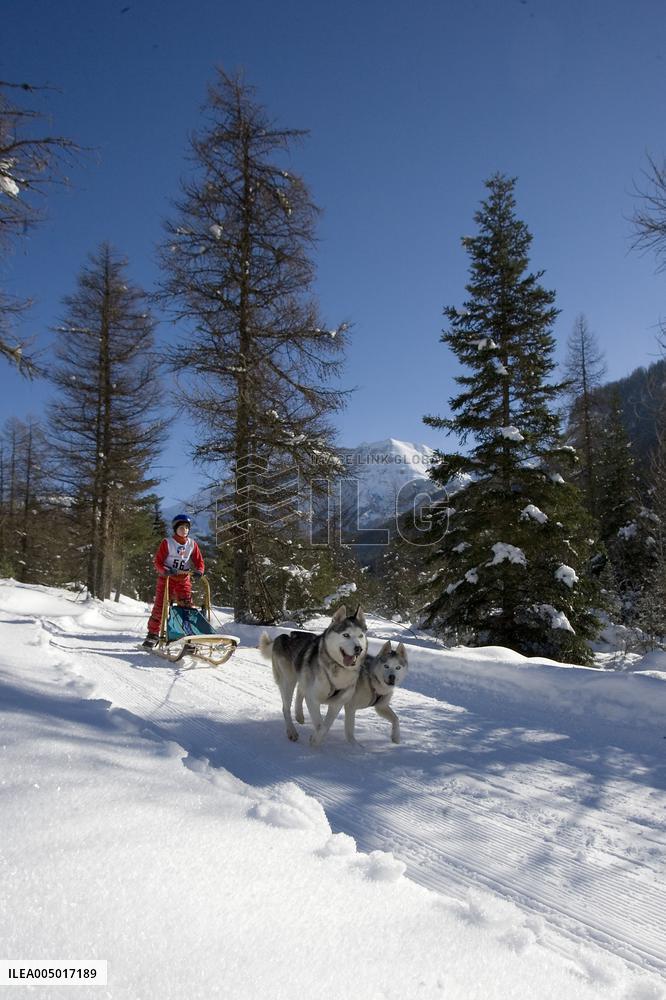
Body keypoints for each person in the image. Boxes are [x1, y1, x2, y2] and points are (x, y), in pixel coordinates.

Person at [142, 514, 205, 648]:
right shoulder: (167, 542)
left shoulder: (192, 544)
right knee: (160, 606)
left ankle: (188, 634)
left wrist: (199, 570)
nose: (184, 530)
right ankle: (153, 634)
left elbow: (199, 561)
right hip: (167, 579)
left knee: (186, 607)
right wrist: (165, 570)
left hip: (183, 580)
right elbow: (158, 562)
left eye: (187, 528)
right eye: (181, 527)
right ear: (175, 528)